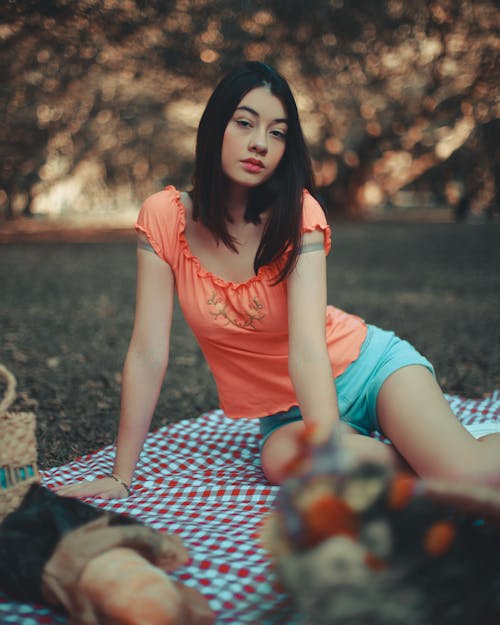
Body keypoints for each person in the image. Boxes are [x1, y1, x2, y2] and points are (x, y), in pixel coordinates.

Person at [57, 61, 500, 500]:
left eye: (277, 132)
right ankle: (427, 455)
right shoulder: (163, 217)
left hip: (370, 372)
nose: (259, 144)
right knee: (279, 463)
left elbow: (308, 350)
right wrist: (121, 476)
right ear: (215, 129)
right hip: (287, 415)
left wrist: (332, 455)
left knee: (466, 476)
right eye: (245, 123)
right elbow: (148, 352)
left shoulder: (299, 215)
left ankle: (445, 456)